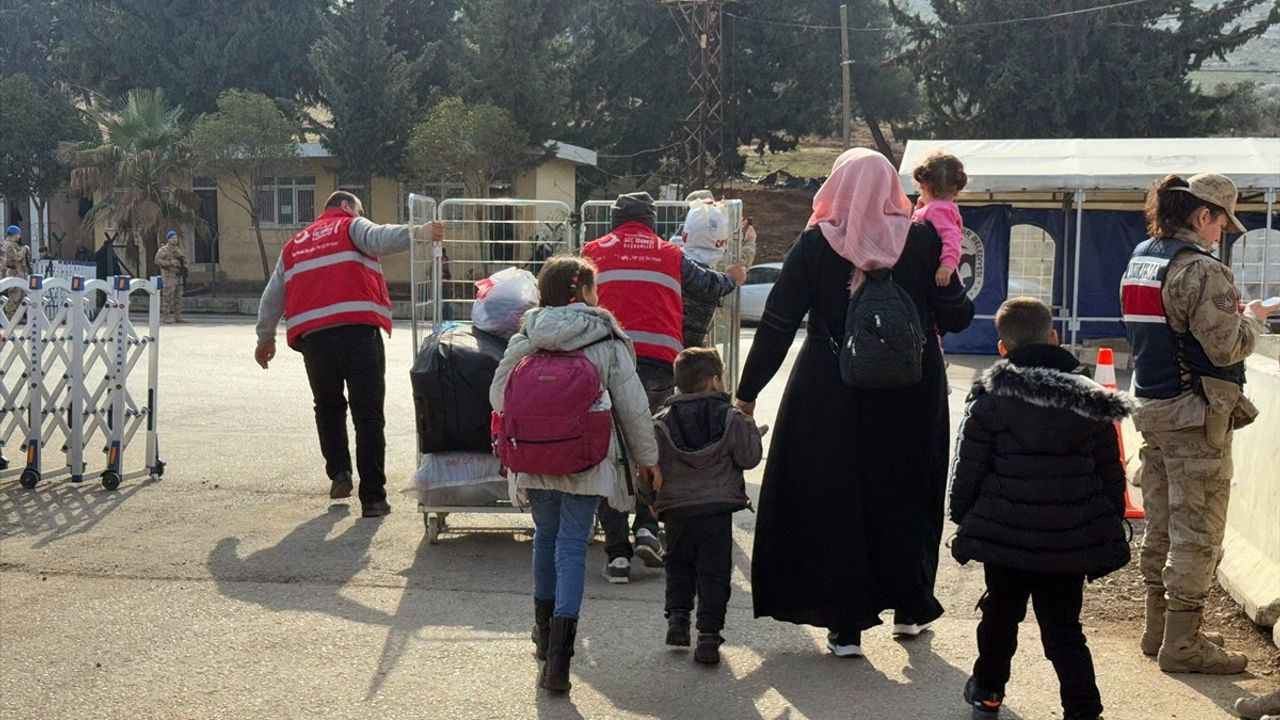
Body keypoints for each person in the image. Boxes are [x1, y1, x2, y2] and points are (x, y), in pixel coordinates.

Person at [734, 148, 973, 658]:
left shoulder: (816, 244)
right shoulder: (924, 237)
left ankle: (844, 625)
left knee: (836, 500)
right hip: (912, 389)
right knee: (907, 494)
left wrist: (747, 393)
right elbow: (956, 317)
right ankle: (910, 608)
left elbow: (776, 325)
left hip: (830, 389)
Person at [1121, 173, 1276, 674]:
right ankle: (1182, 645)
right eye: (1221, 223)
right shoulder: (1202, 271)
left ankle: (1158, 629)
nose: (1222, 234)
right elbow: (1225, 345)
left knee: (1162, 523)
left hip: (1155, 407)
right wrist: (1252, 319)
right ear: (1202, 214)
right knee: (1198, 532)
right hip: (1195, 416)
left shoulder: (1143, 256)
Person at [950, 297, 1132, 720]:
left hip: (1005, 533)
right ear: (1054, 337)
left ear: (1002, 348)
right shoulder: (1089, 395)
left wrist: (964, 516)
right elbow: (1111, 468)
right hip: (1069, 536)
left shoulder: (991, 393)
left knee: (999, 614)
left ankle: (988, 692)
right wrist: (1109, 518)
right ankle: (1083, 708)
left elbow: (969, 464)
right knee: (1064, 628)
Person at [489, 255, 660, 693]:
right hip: (586, 462)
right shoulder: (606, 337)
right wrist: (648, 458)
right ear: (582, 290)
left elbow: (498, 396)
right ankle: (561, 663)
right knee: (571, 549)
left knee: (544, 540)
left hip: (532, 460)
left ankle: (544, 638)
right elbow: (633, 408)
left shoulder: (527, 335)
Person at [581, 192, 746, 583]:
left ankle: (617, 555)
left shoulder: (592, 251)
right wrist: (734, 278)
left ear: (614, 221)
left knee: (613, 454)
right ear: (651, 221)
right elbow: (708, 286)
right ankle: (647, 529)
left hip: (607, 361)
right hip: (658, 363)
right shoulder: (668, 253)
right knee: (652, 448)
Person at [254, 191, 439, 518]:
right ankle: (373, 498)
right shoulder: (350, 226)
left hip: (315, 341)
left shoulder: (295, 244)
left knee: (328, 406)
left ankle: (339, 473)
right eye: (359, 210)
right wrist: (419, 232)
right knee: (367, 415)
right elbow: (379, 238)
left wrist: (265, 338)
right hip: (358, 333)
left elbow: (273, 294)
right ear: (346, 207)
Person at [639, 346, 761, 666]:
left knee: (678, 563)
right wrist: (749, 423)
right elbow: (749, 458)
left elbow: (648, 468)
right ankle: (708, 635)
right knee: (714, 571)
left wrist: (651, 502)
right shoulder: (731, 417)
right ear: (713, 381)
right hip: (716, 509)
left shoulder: (661, 422)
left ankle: (678, 619)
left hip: (677, 510)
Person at [678, 191, 752, 348]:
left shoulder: (670, 254)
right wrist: (732, 279)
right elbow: (705, 282)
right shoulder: (705, 278)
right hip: (684, 348)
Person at [911, 151, 967, 288]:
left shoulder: (938, 209)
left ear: (925, 186)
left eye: (921, 189)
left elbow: (952, 238)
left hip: (938, 277)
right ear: (956, 190)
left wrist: (947, 265)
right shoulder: (938, 208)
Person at [155, 230, 187, 324]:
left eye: (176, 238)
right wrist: (169, 263)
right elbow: (157, 260)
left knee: (178, 297)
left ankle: (178, 317)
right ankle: (165, 317)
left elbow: (182, 259)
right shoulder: (163, 250)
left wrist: (184, 263)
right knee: (167, 297)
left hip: (178, 276)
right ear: (168, 239)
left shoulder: (177, 249)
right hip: (169, 276)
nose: (175, 240)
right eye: (173, 238)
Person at [3, 225, 31, 318]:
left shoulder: (15, 244)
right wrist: (24, 249)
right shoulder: (8, 245)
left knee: (21, 296)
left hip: (19, 273)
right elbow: (17, 257)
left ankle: (19, 317)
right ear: (14, 234)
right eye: (19, 234)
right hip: (14, 273)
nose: (20, 236)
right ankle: (9, 317)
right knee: (14, 296)